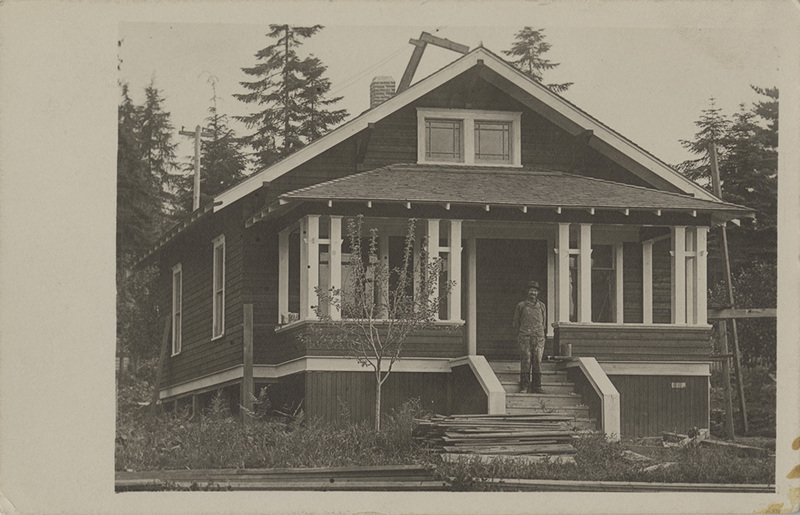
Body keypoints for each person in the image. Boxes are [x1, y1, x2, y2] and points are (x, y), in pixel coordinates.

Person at [512, 280, 547, 394]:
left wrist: (539, 333)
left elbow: (544, 323)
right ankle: (525, 386)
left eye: (535, 290)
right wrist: (522, 335)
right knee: (526, 361)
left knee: (537, 361)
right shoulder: (521, 306)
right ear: (527, 291)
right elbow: (516, 323)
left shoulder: (542, 306)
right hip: (525, 338)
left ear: (538, 293)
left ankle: (537, 386)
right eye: (531, 290)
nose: (533, 292)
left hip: (538, 338)